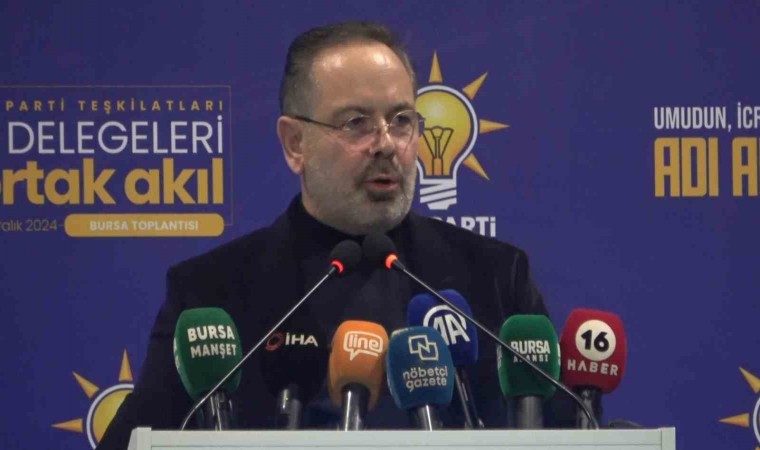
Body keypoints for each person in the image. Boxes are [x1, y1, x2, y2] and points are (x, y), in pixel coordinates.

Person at [97, 21, 566, 450]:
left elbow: (571, 434)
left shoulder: (495, 277)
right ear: (294, 144)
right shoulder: (211, 293)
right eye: (356, 123)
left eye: (401, 120)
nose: (386, 144)